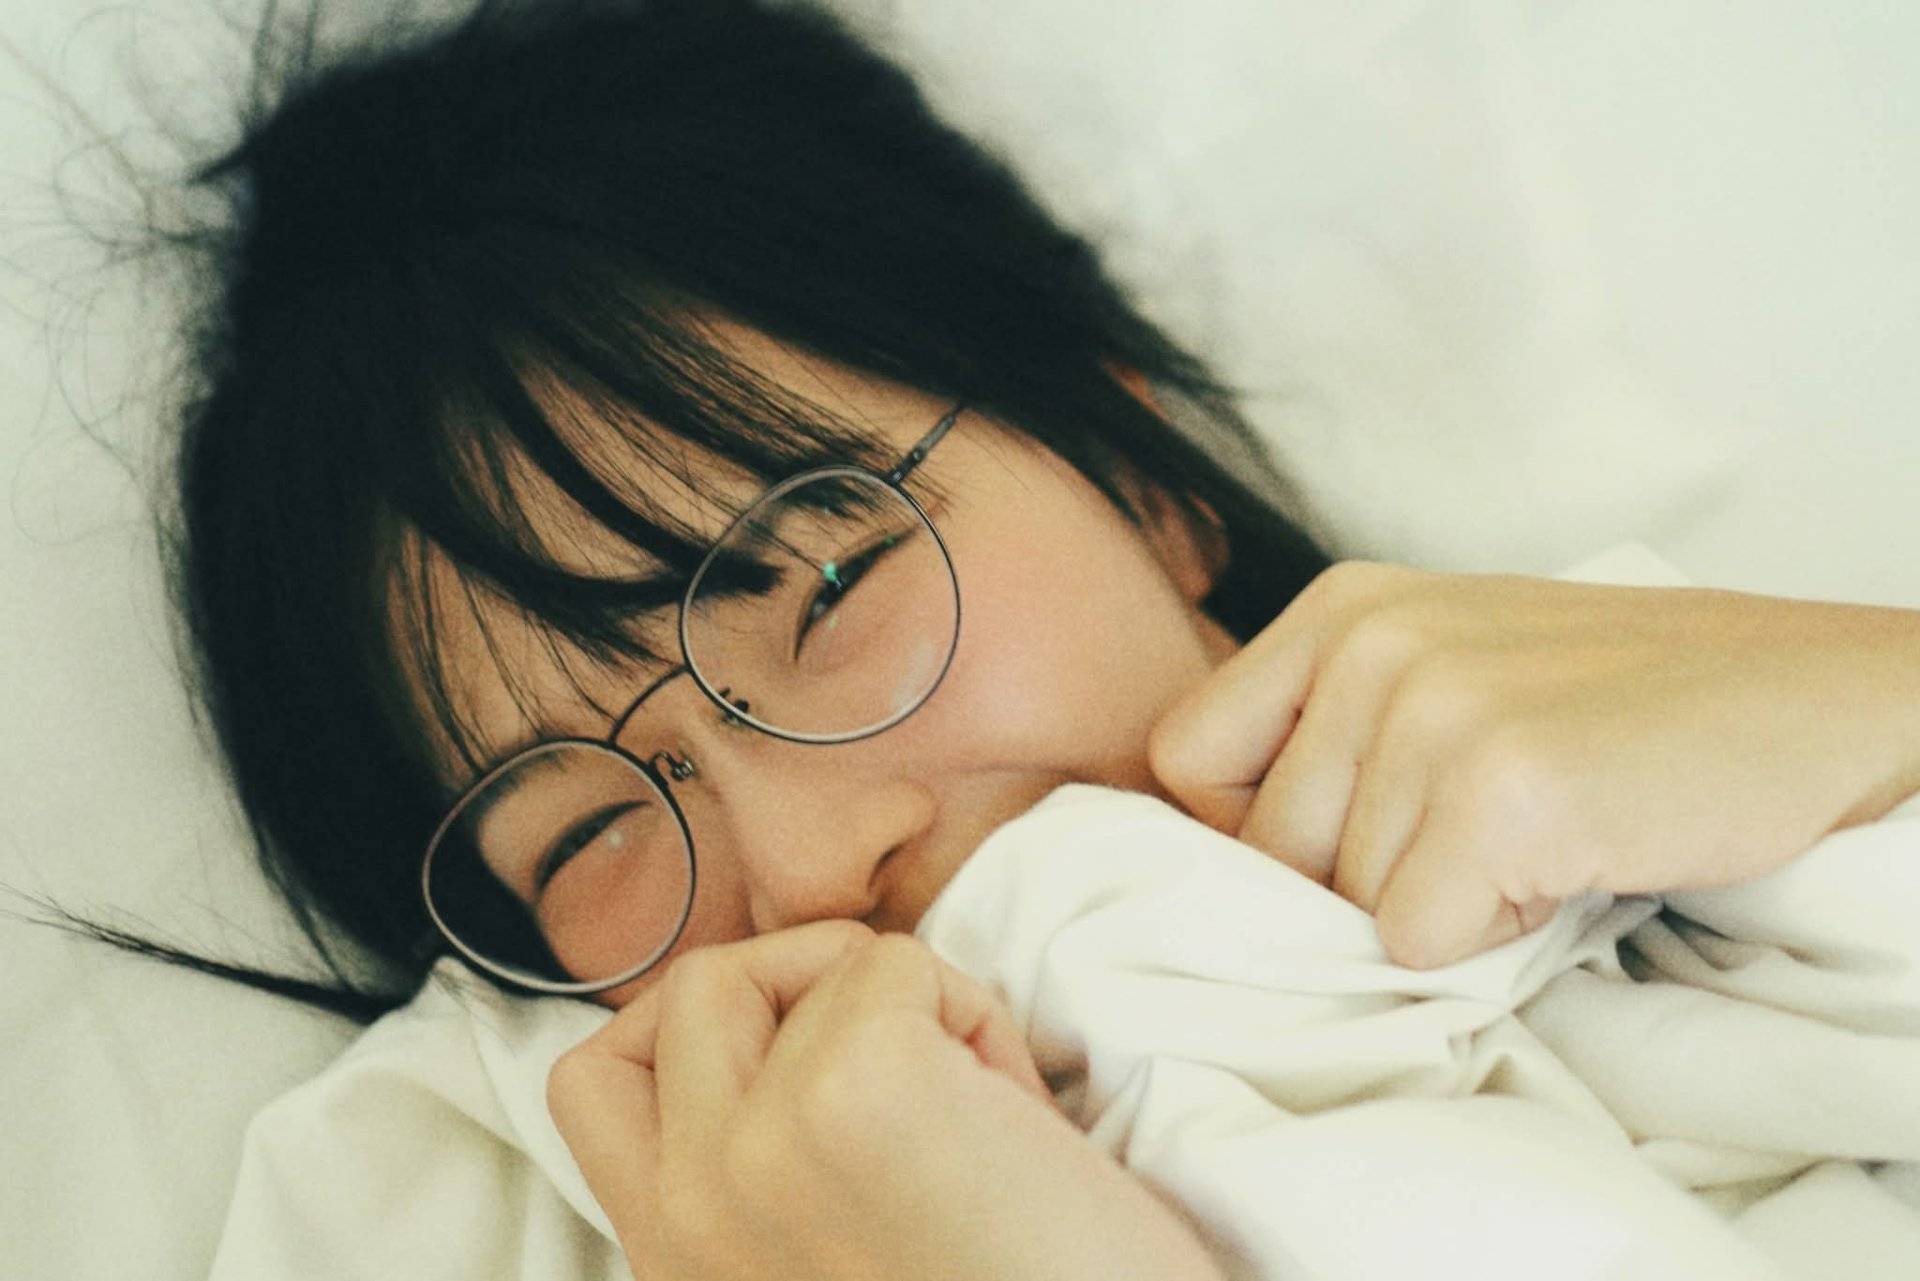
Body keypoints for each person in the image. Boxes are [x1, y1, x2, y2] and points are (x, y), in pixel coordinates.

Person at [129, 0, 1920, 1276]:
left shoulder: (1730, 770)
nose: (811, 866)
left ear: (1140, 475)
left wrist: (1879, 690)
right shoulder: (493, 1178)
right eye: (589, 829)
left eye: (831, 591)